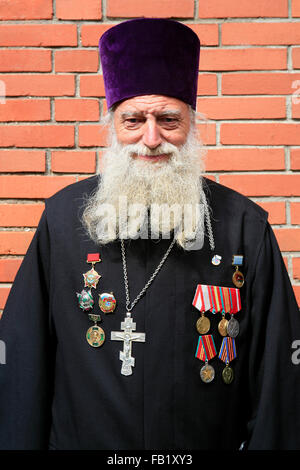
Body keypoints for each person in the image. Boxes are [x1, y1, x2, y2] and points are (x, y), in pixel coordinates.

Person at [0, 18, 300, 451]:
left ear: (191, 123)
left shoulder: (243, 226)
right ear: (113, 125)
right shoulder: (63, 221)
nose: (152, 138)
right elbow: (21, 367)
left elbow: (280, 384)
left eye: (168, 119)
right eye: (134, 119)